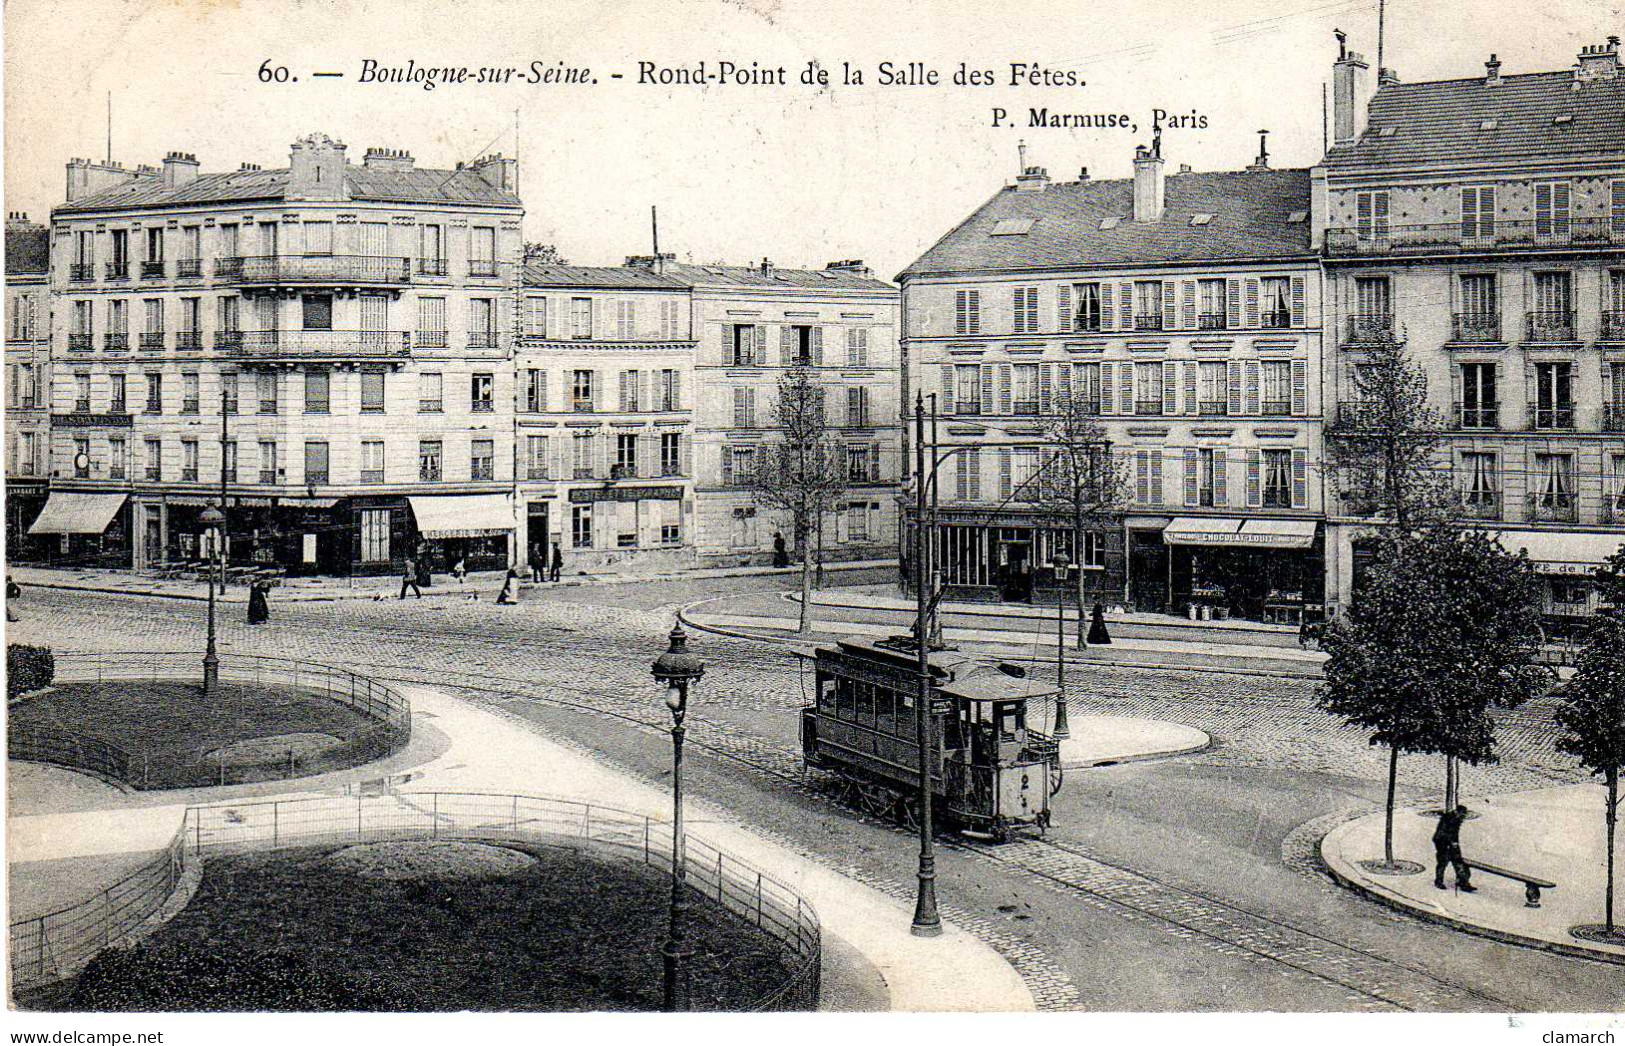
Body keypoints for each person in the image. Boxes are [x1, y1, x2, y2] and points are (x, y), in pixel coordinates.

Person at [1433, 804, 1476, 891]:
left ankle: (1463, 882)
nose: (1463, 817)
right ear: (1457, 812)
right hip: (1442, 843)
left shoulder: (1457, 819)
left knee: (1459, 863)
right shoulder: (1448, 819)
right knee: (1442, 862)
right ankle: (1438, 881)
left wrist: (1454, 844)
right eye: (1462, 815)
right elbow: (1442, 834)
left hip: (1452, 844)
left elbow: (1454, 833)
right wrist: (1451, 844)